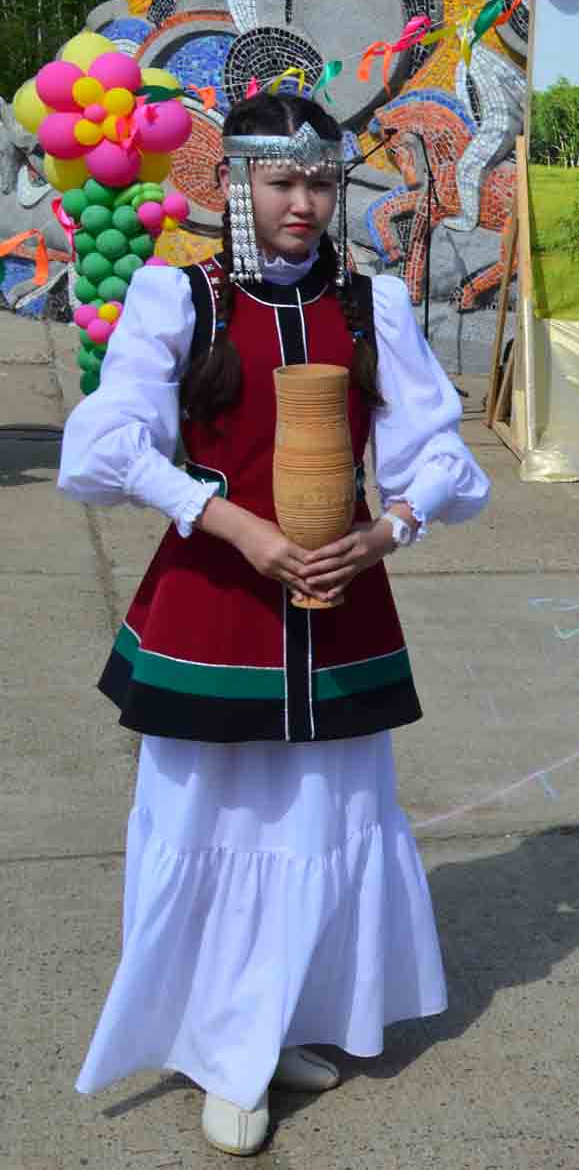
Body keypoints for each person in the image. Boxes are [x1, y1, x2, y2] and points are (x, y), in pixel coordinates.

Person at [58, 91, 490, 1154]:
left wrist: (389, 527)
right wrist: (229, 521)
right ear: (238, 186)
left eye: (321, 181)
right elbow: (105, 445)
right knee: (211, 821)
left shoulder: (367, 306)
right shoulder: (183, 299)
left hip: (342, 598)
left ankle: (279, 1017)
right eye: (281, 181)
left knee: (319, 820)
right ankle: (221, 1045)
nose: (304, 202)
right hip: (213, 603)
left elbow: (441, 449)